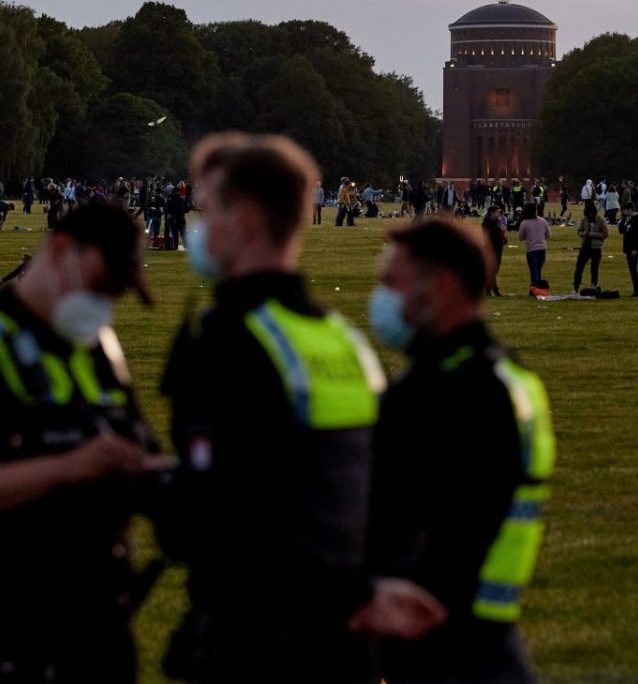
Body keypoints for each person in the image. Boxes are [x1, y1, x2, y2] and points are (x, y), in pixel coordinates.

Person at [160, 133, 444, 683]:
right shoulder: (344, 340)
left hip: (257, 637)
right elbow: (395, 490)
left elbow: (224, 513)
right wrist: (367, 591)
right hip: (346, 641)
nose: (199, 227)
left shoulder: (228, 341)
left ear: (242, 222)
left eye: (209, 211)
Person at [0, 203, 165, 683]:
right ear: (61, 250)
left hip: (99, 624)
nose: (107, 301)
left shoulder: (98, 346)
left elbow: (140, 446)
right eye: (102, 283)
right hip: (3, 628)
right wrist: (69, 467)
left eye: (117, 292)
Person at [364, 218, 555, 684]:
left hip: (439, 637)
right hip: (483, 632)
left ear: (442, 287)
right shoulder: (509, 378)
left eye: (393, 283)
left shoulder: (450, 390)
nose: (382, 297)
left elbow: (440, 520)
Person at [573, 199, 609, 294]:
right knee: (579, 268)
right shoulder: (584, 220)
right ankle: (575, 288)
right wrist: (584, 233)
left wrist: (593, 234)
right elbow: (579, 231)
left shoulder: (601, 220)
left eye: (591, 213)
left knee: (594, 268)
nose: (590, 215)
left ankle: (593, 286)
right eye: (588, 213)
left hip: (596, 248)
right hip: (585, 247)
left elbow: (605, 234)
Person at [516, 202, 550, 288]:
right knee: (538, 269)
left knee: (534, 270)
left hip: (531, 249)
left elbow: (520, 237)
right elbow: (549, 234)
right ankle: (538, 287)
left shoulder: (524, 223)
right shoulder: (543, 220)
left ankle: (535, 287)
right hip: (542, 248)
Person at [619, 201, 638, 297]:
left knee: (633, 268)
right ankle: (637, 289)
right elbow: (621, 230)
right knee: (631, 269)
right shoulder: (627, 219)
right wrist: (624, 219)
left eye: (624, 210)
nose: (623, 212)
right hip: (628, 248)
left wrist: (636, 248)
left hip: (634, 248)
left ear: (630, 209)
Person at [481, 205, 505, 297]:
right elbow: (491, 233)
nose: (499, 214)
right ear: (492, 213)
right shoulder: (487, 223)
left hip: (498, 248)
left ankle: (489, 289)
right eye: (498, 212)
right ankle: (493, 290)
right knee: (493, 270)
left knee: (494, 270)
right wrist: (499, 228)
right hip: (491, 248)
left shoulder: (496, 221)